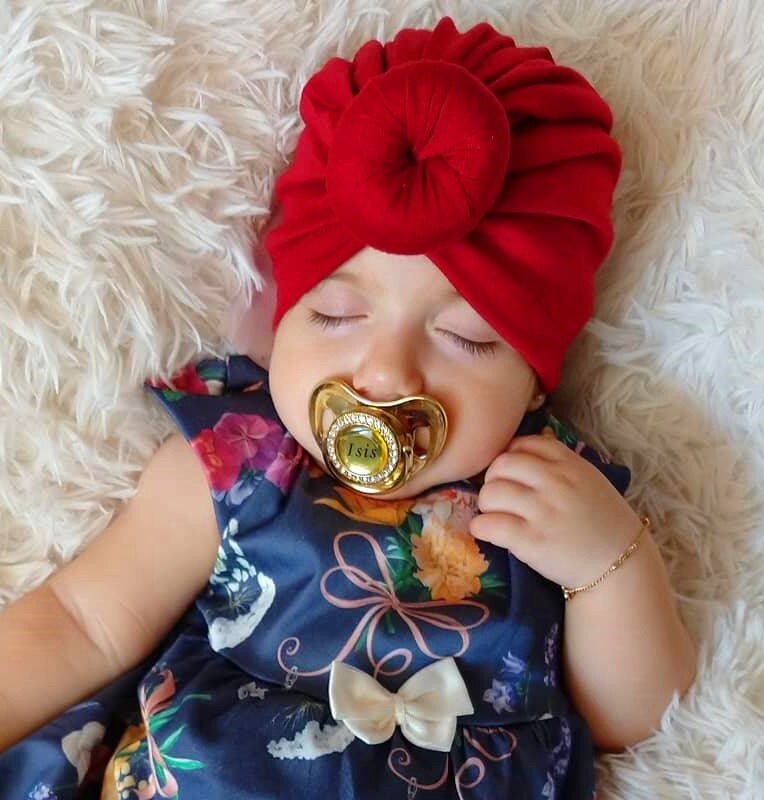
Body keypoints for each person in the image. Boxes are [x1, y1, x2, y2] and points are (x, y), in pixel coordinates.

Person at [0, 16, 695, 800]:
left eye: (464, 337)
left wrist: (609, 568)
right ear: (282, 324)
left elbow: (631, 721)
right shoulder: (240, 462)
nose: (385, 371)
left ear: (534, 383)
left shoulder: (549, 495)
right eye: (335, 316)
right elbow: (84, 620)